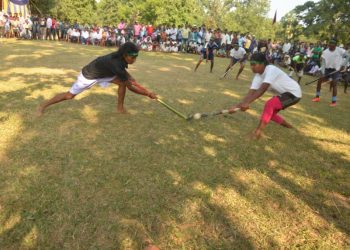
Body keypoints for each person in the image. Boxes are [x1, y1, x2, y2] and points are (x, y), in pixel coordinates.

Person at [37, 42, 157, 116]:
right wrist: (148, 94)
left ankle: (120, 108)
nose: (134, 60)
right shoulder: (116, 64)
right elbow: (131, 86)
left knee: (123, 83)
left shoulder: (120, 58)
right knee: (69, 96)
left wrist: (129, 78)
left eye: (136, 57)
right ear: (125, 55)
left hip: (104, 73)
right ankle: (43, 105)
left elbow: (126, 77)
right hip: (89, 76)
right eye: (133, 57)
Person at [228, 53, 302, 139]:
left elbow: (262, 89)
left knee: (270, 104)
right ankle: (290, 127)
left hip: (294, 93)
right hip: (285, 94)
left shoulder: (271, 69)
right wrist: (237, 106)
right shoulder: (258, 76)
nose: (252, 67)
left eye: (254, 64)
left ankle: (258, 132)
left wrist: (247, 103)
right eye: (251, 64)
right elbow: (250, 93)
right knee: (270, 114)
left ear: (263, 63)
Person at [312, 40, 346, 106]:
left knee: (334, 84)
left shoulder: (340, 50)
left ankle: (334, 101)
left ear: (335, 45)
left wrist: (343, 65)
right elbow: (323, 63)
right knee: (319, 81)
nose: (330, 46)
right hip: (327, 69)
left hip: (336, 70)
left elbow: (347, 56)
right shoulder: (325, 52)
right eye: (329, 45)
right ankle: (317, 97)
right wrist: (322, 71)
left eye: (332, 45)